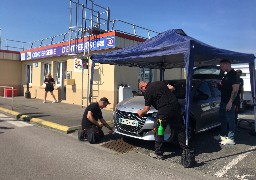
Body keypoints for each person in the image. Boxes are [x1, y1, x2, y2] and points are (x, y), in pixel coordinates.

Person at [137, 80, 194, 167]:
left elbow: (147, 108)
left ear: (143, 87)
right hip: (175, 107)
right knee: (179, 129)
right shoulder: (159, 83)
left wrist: (141, 112)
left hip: (164, 110)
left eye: (142, 90)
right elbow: (171, 88)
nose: (143, 91)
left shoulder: (147, 92)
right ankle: (186, 149)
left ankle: (158, 153)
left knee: (158, 129)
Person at [213, 59, 239, 145]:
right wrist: (218, 86)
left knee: (230, 120)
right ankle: (223, 135)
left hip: (229, 102)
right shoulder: (226, 75)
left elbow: (235, 90)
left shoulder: (234, 75)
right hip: (223, 101)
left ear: (227, 64)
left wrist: (230, 102)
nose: (221, 68)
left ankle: (231, 139)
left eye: (222, 66)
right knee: (223, 119)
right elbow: (224, 87)